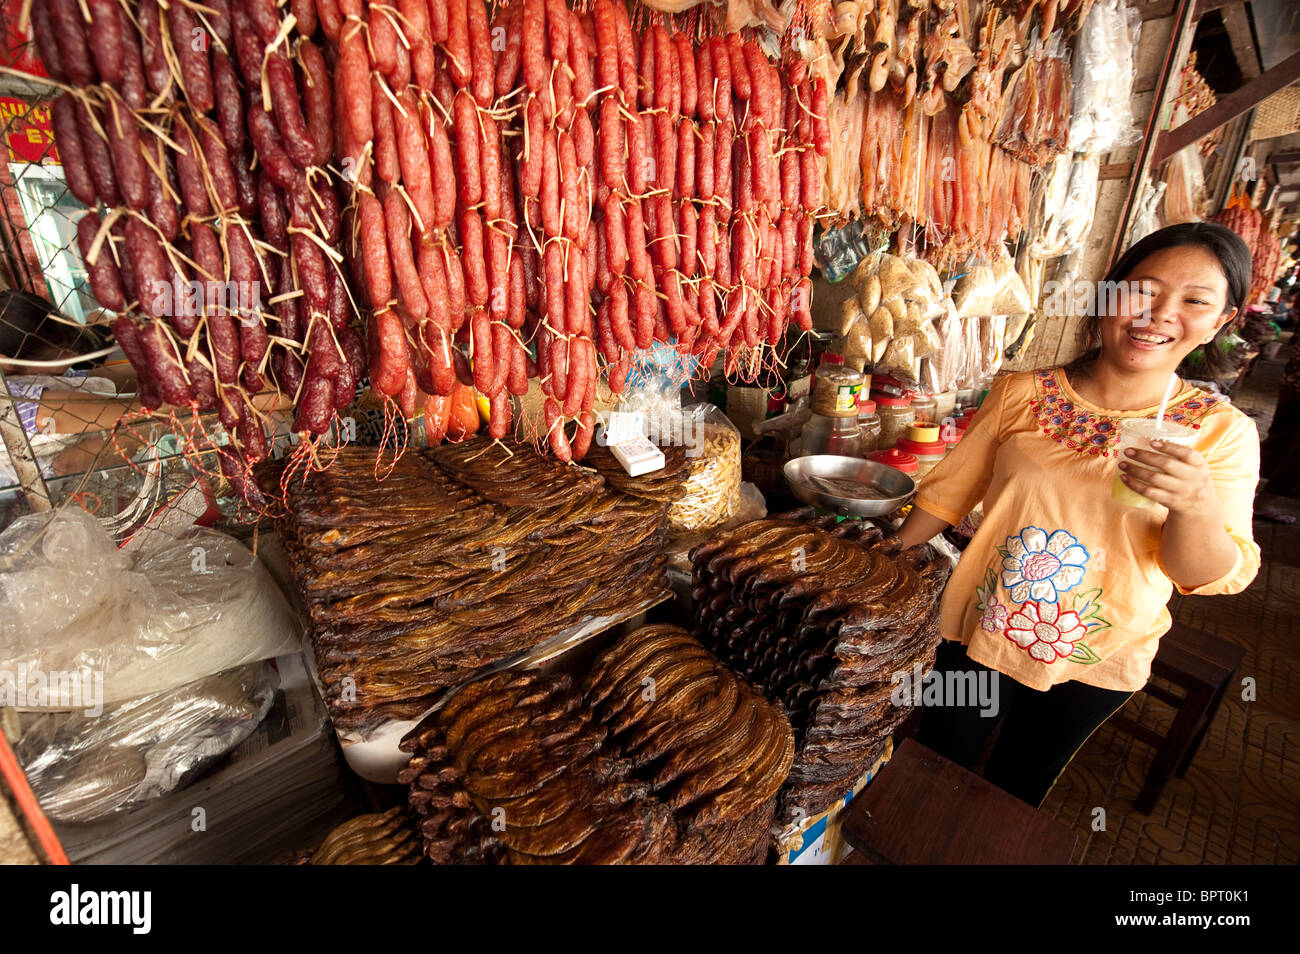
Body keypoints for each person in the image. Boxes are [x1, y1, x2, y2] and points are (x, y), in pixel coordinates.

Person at [894, 222, 1261, 808]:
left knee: (1017, 789)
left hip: (1098, 649)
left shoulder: (1221, 435)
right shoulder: (1022, 393)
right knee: (936, 759)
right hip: (980, 626)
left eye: (1195, 301)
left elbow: (1203, 574)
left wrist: (1194, 503)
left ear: (1219, 322)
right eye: (1144, 290)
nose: (1161, 314)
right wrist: (885, 560)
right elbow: (947, 495)